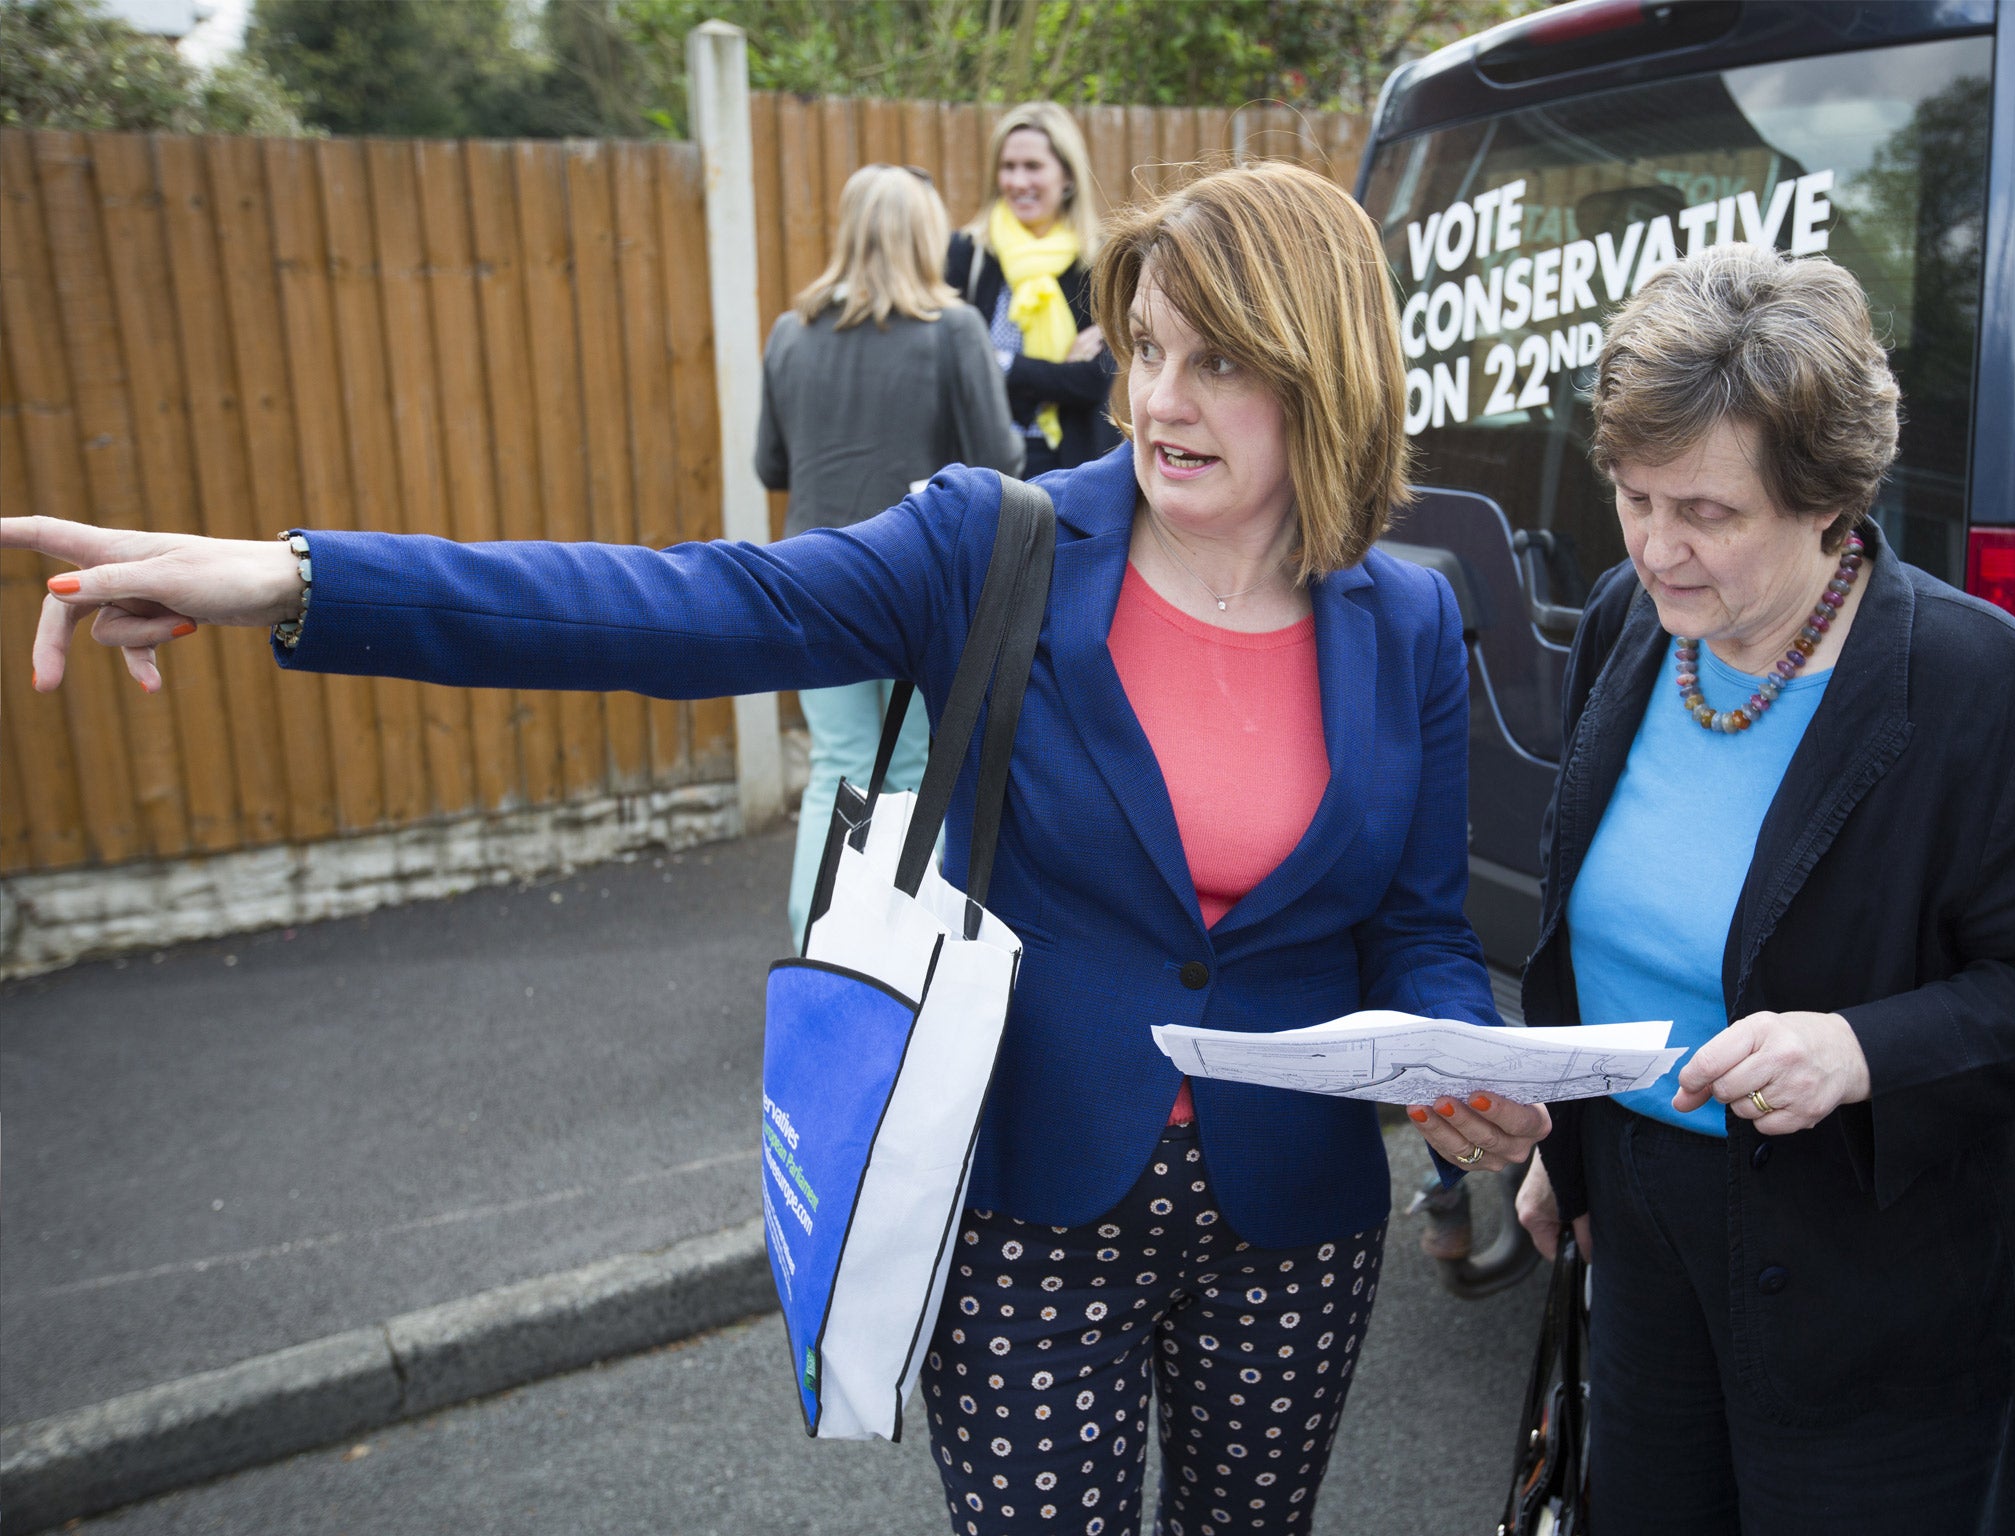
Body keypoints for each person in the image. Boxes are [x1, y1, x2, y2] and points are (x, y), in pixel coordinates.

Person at [10, 162, 1548, 1536]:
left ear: (1324, 373)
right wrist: (289, 579)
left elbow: (1414, 926)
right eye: (1143, 346)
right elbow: (678, 606)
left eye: (1216, 364)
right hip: (1025, 1199)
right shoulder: (991, 543)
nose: (1157, 399)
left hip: (1294, 1223)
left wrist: (1464, 1051)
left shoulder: (1401, 614)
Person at [1511, 245, 2015, 1535]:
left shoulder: (1979, 685)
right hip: (1645, 1245)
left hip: (1884, 1287)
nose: (1654, 548)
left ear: (1825, 499)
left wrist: (1859, 1049)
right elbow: (1596, 943)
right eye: (1634, 498)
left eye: (1706, 512)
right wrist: (1569, 1155)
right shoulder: (1624, 626)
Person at [758, 163, 1022, 948]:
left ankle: (817, 952)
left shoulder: (789, 333)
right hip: (914, 585)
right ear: (924, 236)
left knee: (834, 770)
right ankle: (902, 960)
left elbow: (773, 467)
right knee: (912, 775)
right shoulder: (954, 330)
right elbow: (999, 461)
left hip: (807, 580)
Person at [946, 101, 1121, 480]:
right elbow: (952, 373)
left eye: (1033, 167)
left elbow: (1094, 381)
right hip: (980, 470)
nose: (1018, 182)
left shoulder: (1099, 261)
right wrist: (1058, 372)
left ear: (1068, 177)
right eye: (1008, 167)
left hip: (1073, 470)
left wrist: (997, 363)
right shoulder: (968, 255)